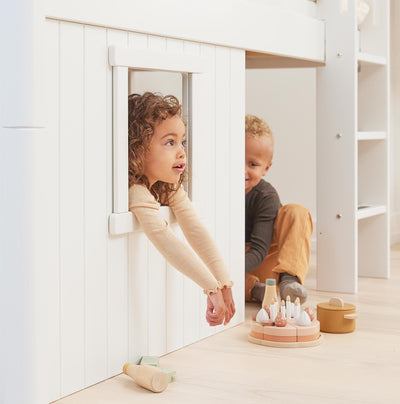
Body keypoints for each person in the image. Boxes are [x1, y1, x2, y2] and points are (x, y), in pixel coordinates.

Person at [128, 92, 235, 326]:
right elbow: (166, 240)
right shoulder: (135, 191)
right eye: (169, 142)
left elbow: (194, 228)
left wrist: (223, 282)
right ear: (138, 149)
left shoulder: (169, 185)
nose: (181, 152)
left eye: (181, 141)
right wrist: (210, 287)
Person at [245, 114, 313, 304]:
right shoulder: (216, 192)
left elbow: (259, 250)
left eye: (252, 164)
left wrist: (227, 268)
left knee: (296, 211)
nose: (243, 170)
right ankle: (259, 291)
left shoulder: (266, 196)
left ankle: (289, 280)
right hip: (240, 269)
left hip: (270, 259)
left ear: (266, 168)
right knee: (213, 279)